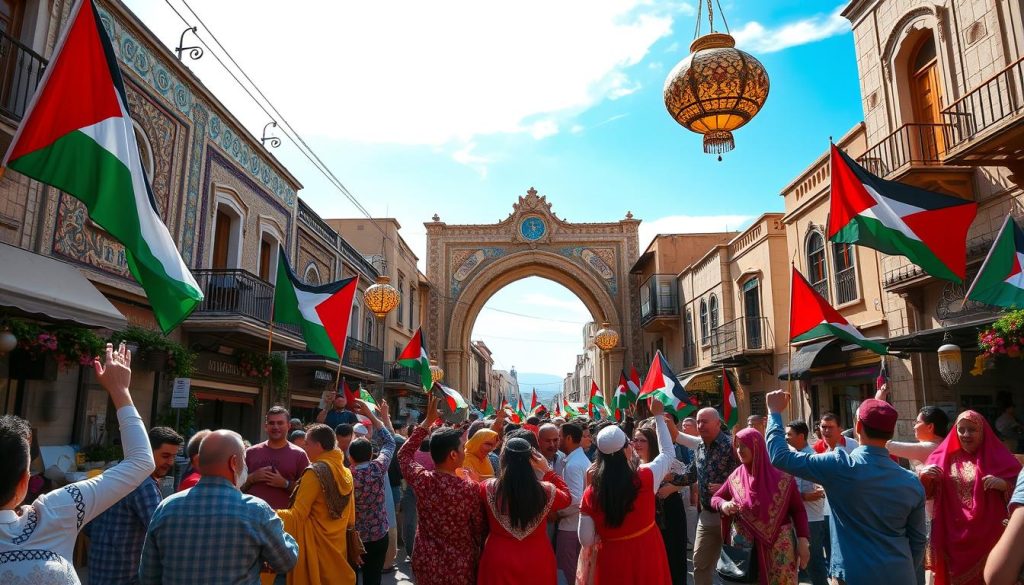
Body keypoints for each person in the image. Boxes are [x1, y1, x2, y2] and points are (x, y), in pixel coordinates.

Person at [1, 343, 155, 583]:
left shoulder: (56, 511)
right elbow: (141, 462)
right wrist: (120, 391)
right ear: (24, 480)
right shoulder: (55, 512)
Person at [765, 391, 927, 585]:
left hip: (853, 574)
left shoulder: (840, 465)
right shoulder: (911, 481)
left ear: (857, 426)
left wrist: (774, 412)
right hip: (899, 574)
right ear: (891, 432)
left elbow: (781, 457)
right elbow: (918, 541)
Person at [140, 429, 298, 584]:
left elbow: (148, 576)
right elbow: (286, 561)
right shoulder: (256, 511)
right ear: (233, 462)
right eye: (244, 460)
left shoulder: (166, 508)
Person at [918, 410, 1021, 585]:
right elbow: (926, 494)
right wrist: (924, 477)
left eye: (972, 430)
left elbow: (1020, 492)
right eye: (961, 429)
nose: (966, 435)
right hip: (952, 537)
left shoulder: (1001, 458)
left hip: (990, 537)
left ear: (983, 432)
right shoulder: (942, 457)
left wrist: (1005, 485)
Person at [578, 399, 675, 585]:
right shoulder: (646, 476)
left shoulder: (591, 492)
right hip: (648, 552)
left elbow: (586, 539)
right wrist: (658, 417)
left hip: (611, 559)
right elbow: (668, 454)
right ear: (626, 449)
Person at [398, 395, 485, 585]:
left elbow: (403, 455)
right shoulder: (469, 488)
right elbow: (479, 528)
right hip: (459, 565)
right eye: (462, 447)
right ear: (453, 454)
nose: (465, 450)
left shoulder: (422, 480)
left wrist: (426, 423)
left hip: (426, 562)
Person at [88, 426, 184, 585]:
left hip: (99, 568)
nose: (170, 462)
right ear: (147, 451)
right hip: (125, 575)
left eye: (173, 456)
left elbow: (88, 524)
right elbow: (160, 531)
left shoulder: (112, 470)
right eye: (165, 456)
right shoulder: (143, 483)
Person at [713, 428, 810, 584]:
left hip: (779, 549)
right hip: (744, 551)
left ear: (757, 447)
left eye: (744, 446)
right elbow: (716, 497)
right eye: (737, 446)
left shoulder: (782, 478)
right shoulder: (736, 476)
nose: (739, 450)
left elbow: (798, 510)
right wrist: (723, 504)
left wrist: (803, 540)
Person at [478, 437, 571, 585]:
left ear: (503, 458)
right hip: (537, 559)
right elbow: (567, 498)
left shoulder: (487, 488)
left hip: (499, 558)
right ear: (531, 459)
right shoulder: (546, 490)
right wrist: (547, 470)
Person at [275, 421, 356, 585]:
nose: (305, 448)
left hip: (316, 550)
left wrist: (266, 512)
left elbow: (297, 516)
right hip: (338, 547)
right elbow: (350, 518)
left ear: (319, 445)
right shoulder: (346, 471)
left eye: (307, 444)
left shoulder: (314, 472)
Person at [672, 407, 740, 585]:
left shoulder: (732, 446)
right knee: (700, 564)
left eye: (705, 421)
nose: (700, 425)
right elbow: (690, 475)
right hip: (707, 516)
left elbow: (747, 478)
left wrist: (726, 488)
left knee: (733, 569)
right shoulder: (700, 446)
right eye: (698, 421)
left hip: (732, 518)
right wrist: (669, 477)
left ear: (718, 423)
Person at [634, 420, 689, 585]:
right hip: (649, 520)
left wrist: (672, 487)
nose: (637, 444)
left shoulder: (664, 461)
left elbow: (689, 477)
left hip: (670, 513)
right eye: (635, 440)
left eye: (642, 440)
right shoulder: (633, 464)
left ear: (651, 442)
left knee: (673, 558)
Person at [351, 400, 397, 585]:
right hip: (378, 535)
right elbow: (389, 441)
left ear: (350, 457)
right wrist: (372, 416)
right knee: (373, 578)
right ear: (371, 454)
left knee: (351, 577)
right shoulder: (378, 467)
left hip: (354, 538)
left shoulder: (346, 476)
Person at [785, 421, 828, 585]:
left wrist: (805, 496)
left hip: (811, 518)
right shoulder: (790, 457)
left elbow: (819, 491)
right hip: (793, 517)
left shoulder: (814, 458)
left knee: (813, 559)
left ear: (801, 436)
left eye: (790, 434)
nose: (786, 438)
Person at [242, 406, 310, 511]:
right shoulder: (250, 452)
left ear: (288, 426)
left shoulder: (299, 455)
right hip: (251, 519)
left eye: (280, 423)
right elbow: (235, 487)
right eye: (272, 423)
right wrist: (252, 478)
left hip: (283, 522)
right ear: (266, 426)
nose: (275, 427)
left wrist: (285, 483)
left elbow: (307, 493)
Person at [554, 421, 588, 584]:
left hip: (569, 527)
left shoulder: (574, 465)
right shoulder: (577, 460)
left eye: (559, 437)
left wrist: (557, 514)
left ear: (568, 438)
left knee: (569, 572)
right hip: (576, 526)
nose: (556, 441)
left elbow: (575, 499)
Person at [984, 467, 1024, 585]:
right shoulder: (944, 456)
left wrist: (1006, 485)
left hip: (993, 540)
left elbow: (997, 575)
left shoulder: (1004, 459)